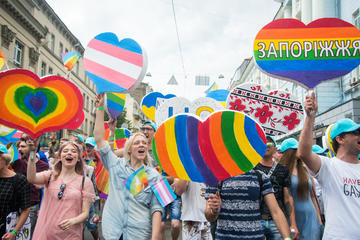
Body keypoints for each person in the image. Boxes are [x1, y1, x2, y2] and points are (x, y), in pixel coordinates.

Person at [94, 93, 163, 240]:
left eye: (144, 143)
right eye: (137, 143)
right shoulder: (116, 165)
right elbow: (100, 141)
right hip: (112, 232)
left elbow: (158, 209)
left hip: (138, 234)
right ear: (129, 149)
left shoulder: (154, 175)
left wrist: (155, 237)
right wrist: (100, 108)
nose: (141, 145)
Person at [298, 93, 360, 239]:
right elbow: (304, 153)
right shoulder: (329, 167)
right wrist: (310, 118)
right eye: (356, 132)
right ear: (340, 139)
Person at [26, 140, 94, 239]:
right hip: (47, 233)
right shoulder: (49, 176)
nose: (69, 153)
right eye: (65, 151)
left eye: (73, 151)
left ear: (78, 158)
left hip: (71, 234)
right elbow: (31, 178)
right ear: (60, 157)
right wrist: (32, 153)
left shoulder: (85, 181)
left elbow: (85, 213)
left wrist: (73, 221)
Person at [205, 170, 291, 240]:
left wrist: (287, 238)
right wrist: (214, 210)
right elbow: (209, 216)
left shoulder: (259, 176)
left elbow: (276, 211)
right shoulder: (214, 177)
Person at [255, 136, 299, 240]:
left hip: (277, 221)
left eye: (270, 144)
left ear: (275, 149)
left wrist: (293, 224)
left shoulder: (283, 169)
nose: (267, 146)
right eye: (264, 143)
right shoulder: (252, 168)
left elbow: (288, 197)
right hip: (256, 219)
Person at [279, 138, 322, 240]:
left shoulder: (305, 170)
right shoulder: (281, 172)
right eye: (296, 148)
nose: (300, 150)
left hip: (311, 217)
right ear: (290, 152)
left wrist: (319, 218)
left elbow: (312, 196)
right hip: (293, 218)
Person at [12, 135, 49, 239]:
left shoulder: (43, 166)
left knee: (27, 236)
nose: (19, 149)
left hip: (31, 205)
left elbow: (45, 190)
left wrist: (41, 208)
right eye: (19, 146)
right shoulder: (16, 163)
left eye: (23, 147)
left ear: (32, 148)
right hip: (15, 206)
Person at [0, 144, 31, 240]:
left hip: (8, 230)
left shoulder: (19, 180)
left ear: (5, 159)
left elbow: (26, 210)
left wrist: (14, 232)